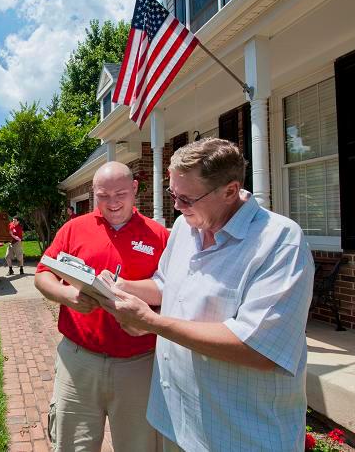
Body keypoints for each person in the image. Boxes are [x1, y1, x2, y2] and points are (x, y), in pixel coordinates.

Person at [97, 138, 314, 451]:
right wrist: (119, 287)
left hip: (239, 434)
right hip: (175, 419)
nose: (176, 206)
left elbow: (258, 348)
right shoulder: (187, 227)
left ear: (230, 190)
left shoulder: (279, 242)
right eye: (173, 194)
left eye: (186, 198)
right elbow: (164, 283)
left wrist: (151, 322)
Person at [34, 161, 170, 451]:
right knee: (72, 445)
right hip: (78, 359)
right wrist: (66, 295)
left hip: (139, 363)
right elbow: (43, 273)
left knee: (140, 445)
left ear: (135, 189)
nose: (112, 203)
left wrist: (149, 317)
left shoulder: (160, 236)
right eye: (103, 195)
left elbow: (175, 295)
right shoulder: (73, 229)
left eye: (120, 193)